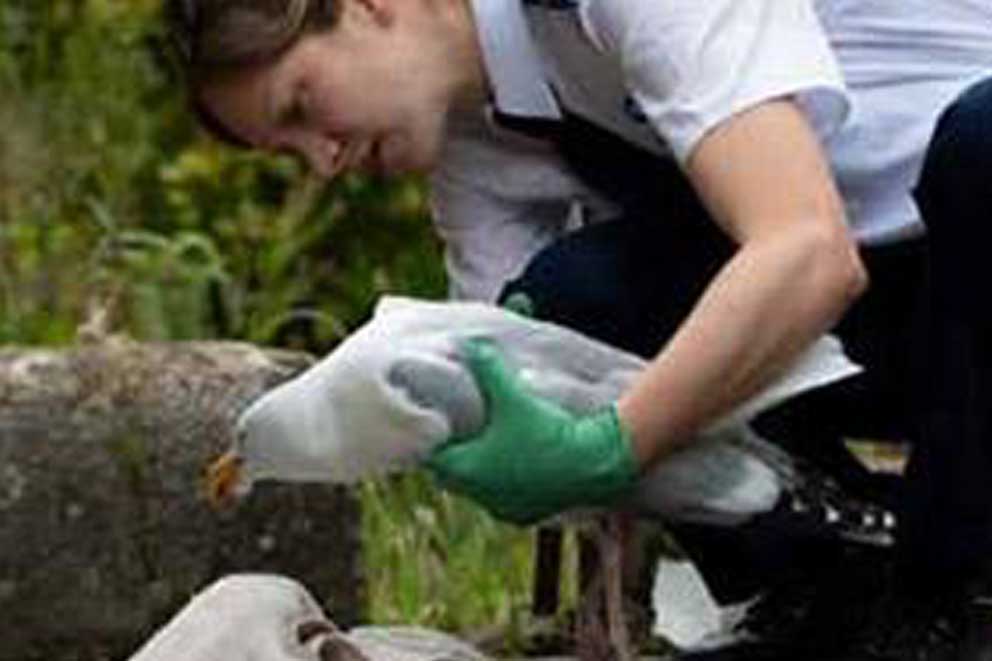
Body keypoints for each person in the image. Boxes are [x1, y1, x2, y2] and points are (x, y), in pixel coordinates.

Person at [166, 0, 992, 658]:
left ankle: (951, 592)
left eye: (303, 106)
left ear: (369, 6)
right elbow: (510, 374)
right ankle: (827, 591)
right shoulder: (483, 148)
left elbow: (809, 250)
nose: (323, 161)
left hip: (949, 252)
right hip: (912, 327)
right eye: (289, 151)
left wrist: (615, 443)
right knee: (561, 304)